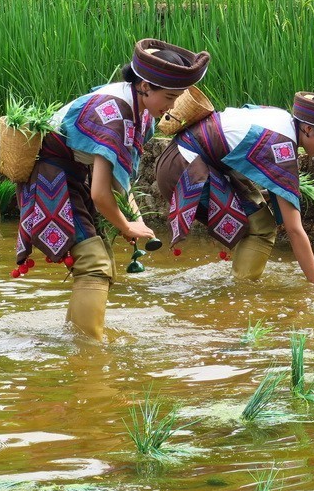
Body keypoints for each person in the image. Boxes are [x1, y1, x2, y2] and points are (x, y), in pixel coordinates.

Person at [16, 39, 210, 341]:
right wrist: (126, 226)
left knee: (100, 260)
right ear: (145, 86)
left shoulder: (138, 111)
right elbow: (100, 193)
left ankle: (76, 339)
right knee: (94, 264)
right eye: (169, 97)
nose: (172, 107)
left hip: (71, 174)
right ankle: (88, 349)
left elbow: (119, 181)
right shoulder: (116, 113)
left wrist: (135, 219)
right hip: (50, 177)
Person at [154, 86, 314, 287]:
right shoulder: (282, 146)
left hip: (178, 158)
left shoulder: (280, 116)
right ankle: (240, 292)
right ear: (309, 129)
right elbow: (294, 230)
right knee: (262, 227)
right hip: (184, 170)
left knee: (257, 210)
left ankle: (238, 283)